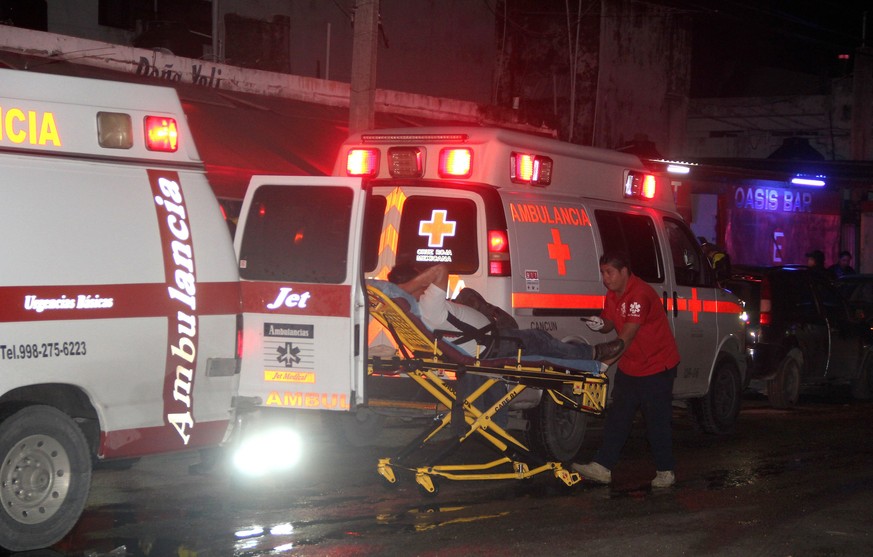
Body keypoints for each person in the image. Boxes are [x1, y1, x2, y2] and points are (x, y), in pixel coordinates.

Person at [572, 252, 681, 489]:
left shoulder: (639, 295)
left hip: (656, 366)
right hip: (631, 364)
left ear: (624, 271)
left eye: (609, 272)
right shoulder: (613, 294)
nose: (605, 278)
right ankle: (603, 466)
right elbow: (610, 323)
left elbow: (626, 337)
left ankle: (665, 471)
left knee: (656, 422)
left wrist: (603, 364)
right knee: (618, 417)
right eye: (603, 273)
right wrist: (600, 325)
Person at [386, 262, 623, 362]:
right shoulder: (427, 304)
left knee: (467, 295)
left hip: (479, 339)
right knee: (539, 339)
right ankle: (591, 353)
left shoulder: (414, 310)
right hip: (487, 345)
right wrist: (405, 289)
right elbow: (441, 269)